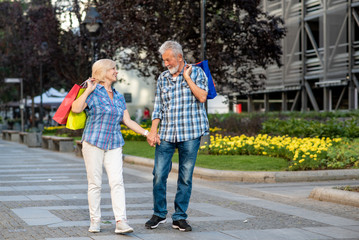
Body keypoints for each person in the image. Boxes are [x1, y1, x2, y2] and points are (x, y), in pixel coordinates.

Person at [72, 59, 152, 234]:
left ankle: (121, 221)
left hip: (114, 143)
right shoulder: (92, 93)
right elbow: (76, 108)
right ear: (102, 72)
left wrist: (147, 133)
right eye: (113, 69)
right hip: (93, 142)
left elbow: (127, 120)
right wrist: (87, 90)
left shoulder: (118, 96)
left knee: (117, 182)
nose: (116, 71)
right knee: (95, 183)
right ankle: (95, 220)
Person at [145, 40, 209, 232]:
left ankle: (179, 217)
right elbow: (159, 106)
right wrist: (153, 130)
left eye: (169, 60)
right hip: (166, 134)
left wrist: (187, 78)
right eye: (164, 60)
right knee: (158, 175)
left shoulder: (197, 73)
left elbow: (202, 97)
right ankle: (159, 213)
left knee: (185, 177)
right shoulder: (163, 77)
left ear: (180, 57)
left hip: (190, 134)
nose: (166, 64)